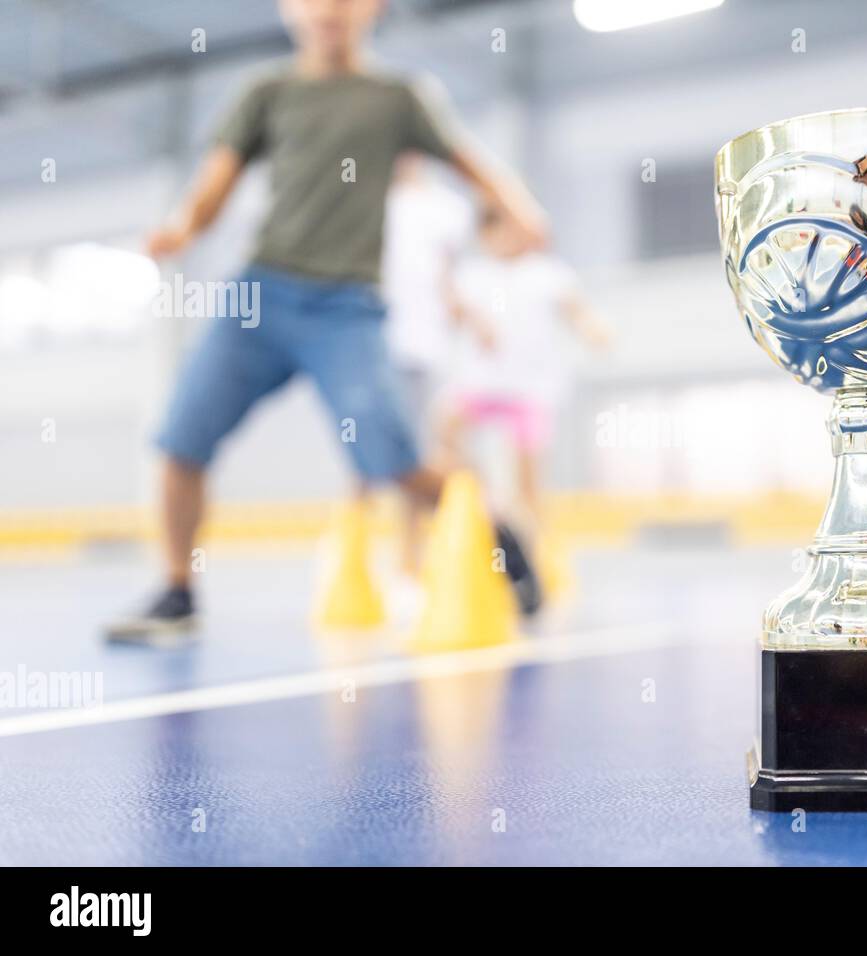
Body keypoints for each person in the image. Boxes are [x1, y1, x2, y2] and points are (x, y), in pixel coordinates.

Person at [107, 0, 547, 642]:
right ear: (289, 9)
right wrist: (182, 229)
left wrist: (520, 211)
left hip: (348, 309)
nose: (329, 9)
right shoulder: (266, 92)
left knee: (394, 463)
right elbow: (215, 181)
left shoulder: (398, 97)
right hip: (261, 295)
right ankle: (178, 590)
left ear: (374, 8)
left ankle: (499, 535)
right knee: (179, 439)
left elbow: (471, 163)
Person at [438, 206, 609, 605]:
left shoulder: (546, 272)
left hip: (529, 390)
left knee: (530, 482)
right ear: (486, 236)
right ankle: (490, 508)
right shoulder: (473, 274)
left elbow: (577, 309)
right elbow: (452, 304)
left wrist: (592, 328)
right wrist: (472, 317)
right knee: (443, 435)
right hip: (479, 385)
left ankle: (536, 559)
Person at [377, 155, 474, 577]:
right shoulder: (371, 200)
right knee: (369, 450)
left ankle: (415, 560)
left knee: (421, 455)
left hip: (425, 346)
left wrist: (463, 313)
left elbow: (447, 276)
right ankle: (392, 558)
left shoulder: (446, 208)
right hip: (375, 340)